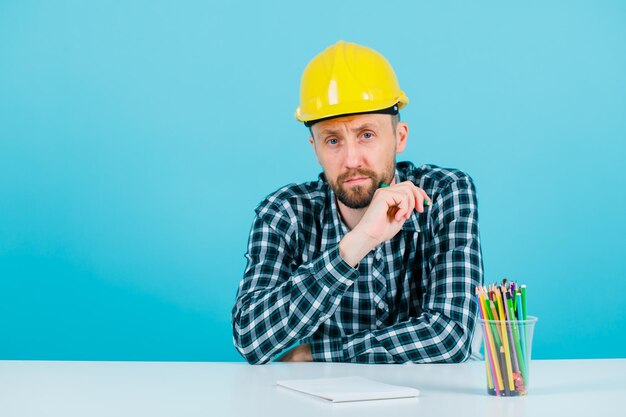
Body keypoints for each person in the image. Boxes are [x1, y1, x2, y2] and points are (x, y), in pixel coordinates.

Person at [232, 40, 484, 364]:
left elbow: (450, 336)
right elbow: (251, 339)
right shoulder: (284, 214)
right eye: (333, 140)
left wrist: (317, 354)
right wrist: (356, 244)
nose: (351, 160)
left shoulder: (445, 194)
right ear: (315, 148)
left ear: (400, 137)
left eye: (367, 134)